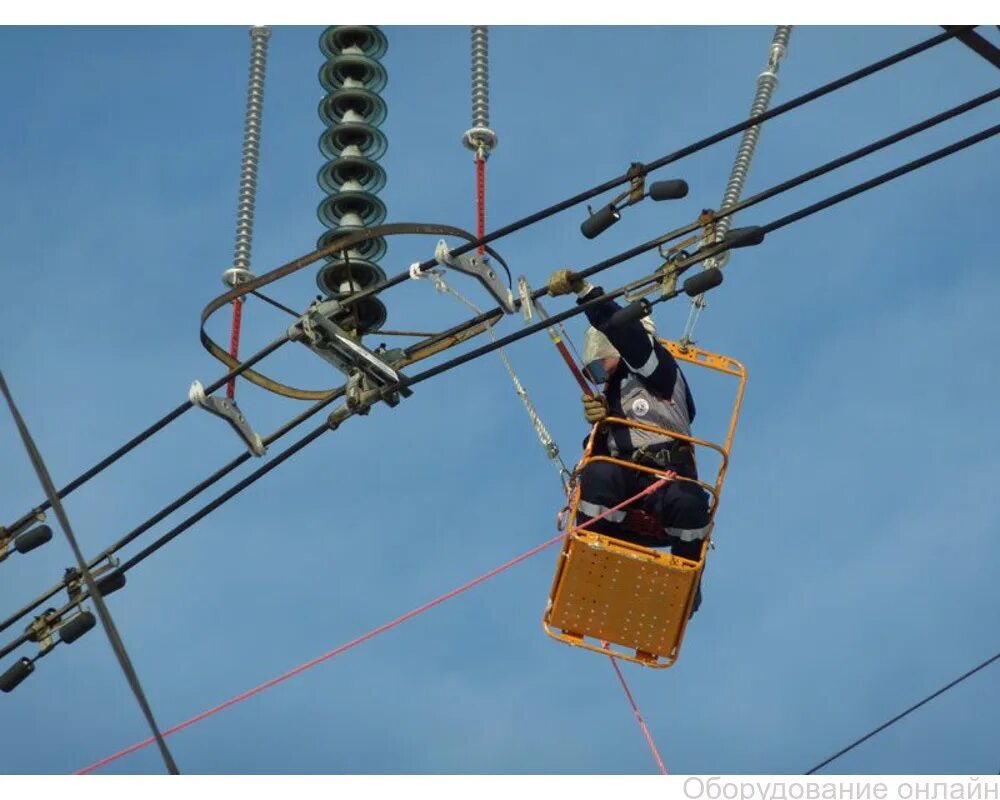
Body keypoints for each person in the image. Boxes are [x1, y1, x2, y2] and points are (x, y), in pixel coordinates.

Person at [548, 268, 712, 611]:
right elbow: (597, 457)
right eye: (591, 372)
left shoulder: (658, 371)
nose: (597, 377)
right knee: (599, 473)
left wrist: (586, 293)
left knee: (689, 502)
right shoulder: (613, 400)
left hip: (667, 483)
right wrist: (600, 427)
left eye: (599, 366)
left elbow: (626, 333)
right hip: (625, 497)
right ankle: (596, 565)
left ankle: (685, 584)